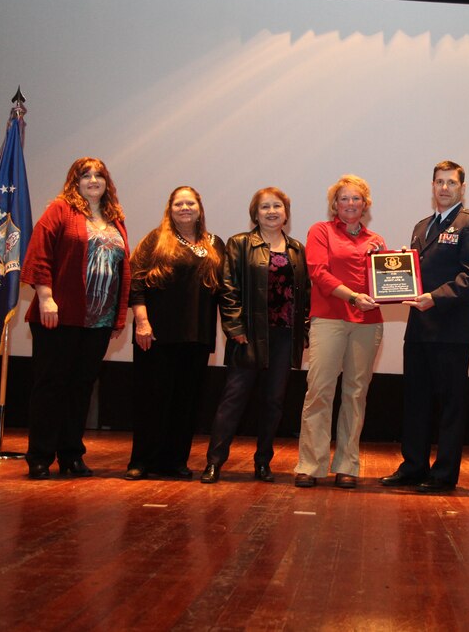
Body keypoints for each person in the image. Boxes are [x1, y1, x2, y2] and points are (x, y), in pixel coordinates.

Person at [380, 160, 469, 493]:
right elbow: (416, 272)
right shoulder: (421, 227)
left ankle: (443, 475)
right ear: (432, 186)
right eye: (439, 182)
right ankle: (413, 467)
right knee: (415, 401)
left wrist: (435, 297)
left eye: (451, 183)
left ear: (462, 187)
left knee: (450, 406)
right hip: (418, 329)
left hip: (450, 330)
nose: (444, 188)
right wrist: (400, 266)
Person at [21, 157, 129, 480]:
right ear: (75, 181)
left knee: (81, 389)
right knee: (50, 387)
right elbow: (39, 253)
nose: (93, 180)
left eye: (99, 175)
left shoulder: (115, 220)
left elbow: (123, 269)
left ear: (107, 183)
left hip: (98, 321)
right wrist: (45, 297)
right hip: (59, 316)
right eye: (86, 175)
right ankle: (40, 456)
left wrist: (117, 318)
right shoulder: (60, 210)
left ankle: (71, 455)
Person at [201, 187, 310, 485]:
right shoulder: (239, 244)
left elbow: (305, 295)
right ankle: (214, 462)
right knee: (233, 399)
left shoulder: (297, 249)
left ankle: (263, 462)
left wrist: (305, 331)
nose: (272, 211)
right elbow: (228, 289)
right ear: (255, 213)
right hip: (247, 336)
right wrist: (235, 329)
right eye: (265, 207)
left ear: (286, 212)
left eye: (277, 206)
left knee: (274, 402)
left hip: (284, 336)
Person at [124, 186, 223, 481]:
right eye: (178, 203)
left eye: (190, 203)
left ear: (199, 208)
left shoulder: (214, 244)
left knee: (186, 403)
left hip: (197, 337)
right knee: (152, 400)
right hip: (156, 336)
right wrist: (142, 321)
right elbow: (136, 281)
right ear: (170, 208)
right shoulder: (155, 240)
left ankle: (174, 462)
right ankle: (142, 461)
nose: (184, 208)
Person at [293, 175, 383, 489]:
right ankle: (311, 464)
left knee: (355, 395)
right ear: (335, 204)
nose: (350, 204)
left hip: (367, 323)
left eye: (356, 198)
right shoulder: (320, 231)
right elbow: (318, 272)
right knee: (319, 391)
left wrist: (397, 266)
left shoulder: (376, 240)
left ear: (365, 204)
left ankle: (347, 465)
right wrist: (352, 296)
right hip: (329, 318)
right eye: (343, 198)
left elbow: (382, 283)